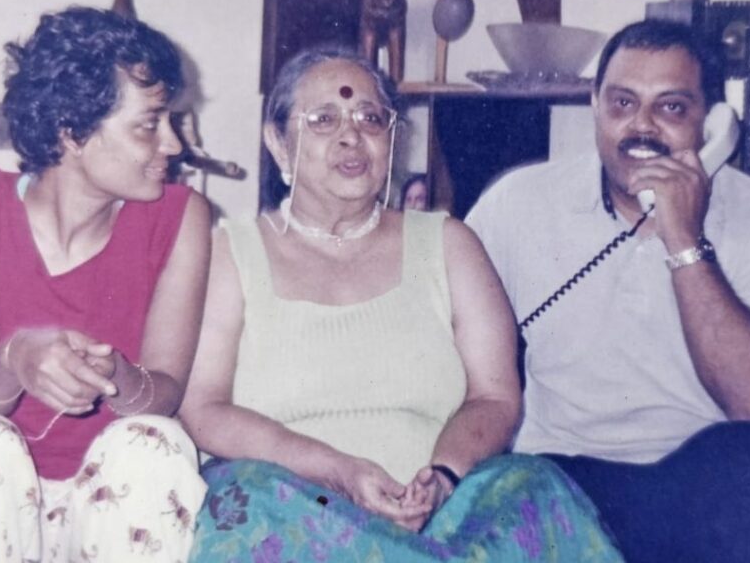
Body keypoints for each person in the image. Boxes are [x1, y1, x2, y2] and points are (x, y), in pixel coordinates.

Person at [180, 49, 622, 562]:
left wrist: (443, 477)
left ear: (392, 138)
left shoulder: (450, 244)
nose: (352, 136)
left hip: (445, 519)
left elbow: (495, 397)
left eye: (371, 118)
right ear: (278, 142)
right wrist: (337, 472)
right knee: (246, 502)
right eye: (323, 120)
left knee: (532, 483)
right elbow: (203, 408)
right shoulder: (230, 252)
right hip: (294, 513)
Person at [466, 20, 750, 563]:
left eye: (672, 108)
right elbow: (443, 343)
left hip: (696, 479)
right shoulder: (518, 203)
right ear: (594, 105)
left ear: (713, 121)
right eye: (623, 103)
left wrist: (684, 238)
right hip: (556, 477)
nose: (642, 127)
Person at [0, 7, 211, 563]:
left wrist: (118, 377)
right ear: (72, 131)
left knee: (151, 444)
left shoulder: (184, 216)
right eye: (149, 124)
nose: (174, 146)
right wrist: (15, 358)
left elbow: (166, 393)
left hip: (111, 504)